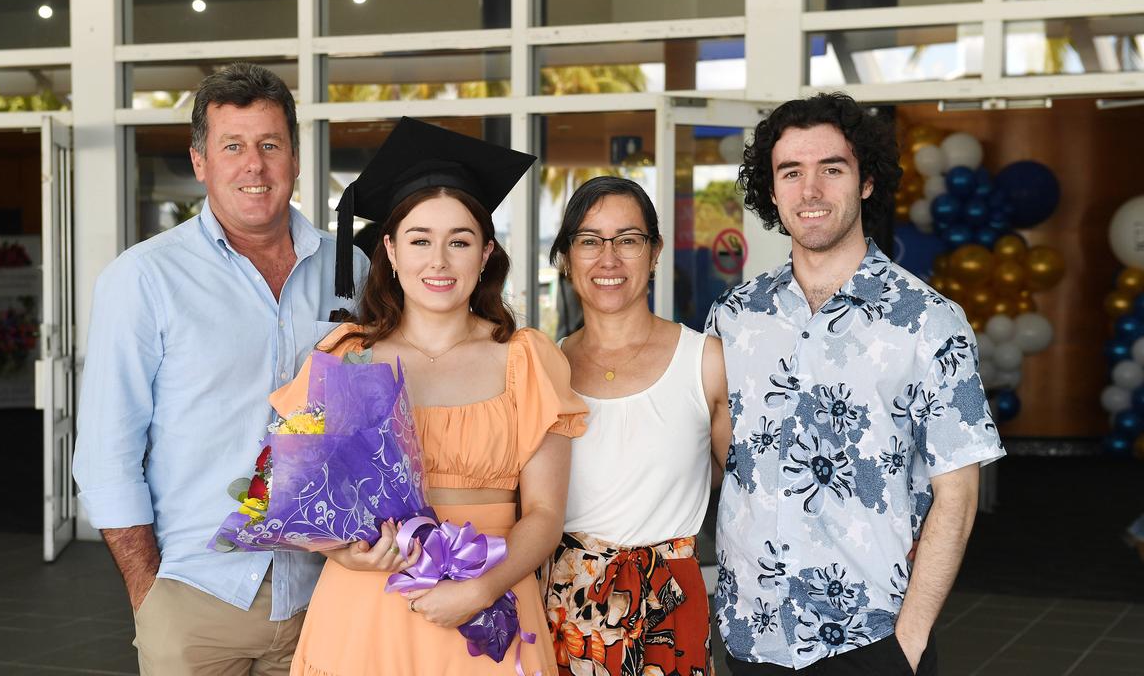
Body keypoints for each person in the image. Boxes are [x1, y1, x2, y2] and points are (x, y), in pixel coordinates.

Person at [72, 62, 367, 675]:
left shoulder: (355, 271)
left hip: (330, 591)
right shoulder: (145, 278)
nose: (253, 165)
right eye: (232, 146)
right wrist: (148, 594)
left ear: (295, 157)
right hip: (198, 598)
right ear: (201, 161)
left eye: (270, 144)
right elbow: (106, 453)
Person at [269, 117, 587, 676]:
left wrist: (481, 590)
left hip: (486, 608)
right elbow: (296, 492)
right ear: (390, 249)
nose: (438, 261)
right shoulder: (346, 356)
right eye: (420, 240)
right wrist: (338, 550)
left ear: (485, 253)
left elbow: (543, 513)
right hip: (369, 601)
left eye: (458, 241)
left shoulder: (526, 359)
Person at [704, 92, 1005, 675]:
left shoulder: (928, 321)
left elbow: (958, 497)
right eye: (790, 172)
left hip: (872, 639)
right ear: (771, 191)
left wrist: (908, 645)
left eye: (831, 169)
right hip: (750, 635)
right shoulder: (733, 316)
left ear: (866, 181)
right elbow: (724, 462)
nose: (810, 191)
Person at [544, 176, 731, 676]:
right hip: (568, 604)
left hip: (670, 602)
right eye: (589, 241)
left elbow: (731, 476)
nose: (609, 260)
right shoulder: (547, 367)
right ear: (566, 257)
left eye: (628, 240)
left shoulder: (704, 360)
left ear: (654, 252)